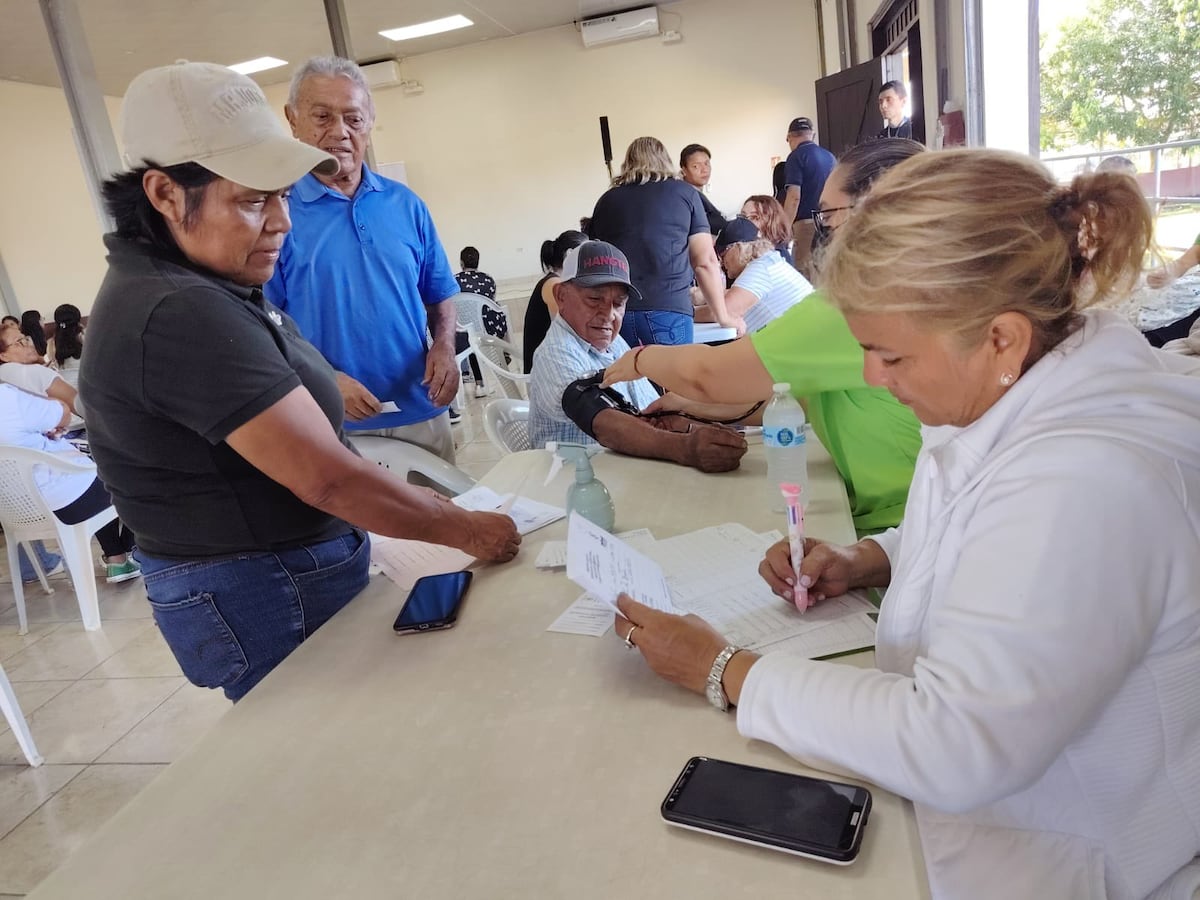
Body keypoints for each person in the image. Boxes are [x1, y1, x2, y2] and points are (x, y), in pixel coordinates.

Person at [612, 149, 1200, 899]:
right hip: (1006, 818)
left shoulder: (1089, 480)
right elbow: (986, 523)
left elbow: (958, 742)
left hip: (1075, 858)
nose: (871, 378)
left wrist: (727, 670)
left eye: (889, 355)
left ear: (1002, 339)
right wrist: (873, 559)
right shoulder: (1022, 392)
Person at [81, 61, 519, 701]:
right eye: (254, 201)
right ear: (166, 195)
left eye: (283, 196)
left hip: (287, 565)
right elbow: (327, 475)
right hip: (261, 586)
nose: (281, 221)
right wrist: (469, 529)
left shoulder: (213, 282)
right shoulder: (178, 309)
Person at [605, 139, 926, 535]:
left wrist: (640, 359)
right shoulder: (903, 298)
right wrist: (690, 406)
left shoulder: (856, 307)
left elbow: (711, 373)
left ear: (879, 213)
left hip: (899, 527)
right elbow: (802, 400)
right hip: (890, 522)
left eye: (827, 215)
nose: (823, 231)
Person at [263, 56, 460, 464]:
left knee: (445, 519)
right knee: (360, 530)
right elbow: (264, 322)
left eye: (353, 119)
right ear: (293, 120)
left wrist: (443, 346)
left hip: (420, 409)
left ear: (369, 124)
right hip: (329, 423)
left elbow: (439, 292)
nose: (339, 132)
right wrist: (326, 379)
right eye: (322, 116)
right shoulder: (275, 214)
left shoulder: (406, 205)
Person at [529, 241, 746, 473]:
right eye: (594, 299)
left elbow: (649, 410)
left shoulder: (613, 343)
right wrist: (685, 448)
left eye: (618, 303)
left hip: (626, 472)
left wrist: (699, 425)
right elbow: (602, 420)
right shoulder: (557, 352)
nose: (608, 315)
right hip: (573, 485)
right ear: (561, 295)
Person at [589, 136, 742, 346]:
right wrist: (722, 316)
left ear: (628, 162)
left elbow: (596, 264)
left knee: (626, 378)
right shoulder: (685, 194)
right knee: (674, 378)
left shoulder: (606, 201)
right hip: (669, 309)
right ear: (665, 160)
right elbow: (704, 261)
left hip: (616, 312)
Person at [0, 384, 139, 582]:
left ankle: (118, 559)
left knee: (92, 480)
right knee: (138, 475)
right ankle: (130, 553)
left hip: (18, 513)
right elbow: (63, 412)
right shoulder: (6, 396)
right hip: (66, 501)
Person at [695, 217, 813, 333]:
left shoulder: (761, 268)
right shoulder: (769, 262)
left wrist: (685, 312)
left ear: (738, 247)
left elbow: (722, 311)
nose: (720, 261)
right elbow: (732, 296)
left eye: (722, 253)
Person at [523, 230, 587, 374]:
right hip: (543, 371)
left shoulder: (557, 282)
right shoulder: (553, 284)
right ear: (570, 255)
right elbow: (567, 327)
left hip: (550, 361)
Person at [780, 117, 836, 278]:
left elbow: (794, 197)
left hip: (806, 225)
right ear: (812, 135)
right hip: (829, 222)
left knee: (804, 275)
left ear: (790, 137)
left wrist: (783, 228)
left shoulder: (796, 157)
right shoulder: (829, 157)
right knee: (825, 271)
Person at [0, 323, 83, 423]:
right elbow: (80, 407)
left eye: (26, 339)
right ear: (3, 356)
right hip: (68, 430)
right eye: (19, 342)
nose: (28, 344)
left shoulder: (4, 376)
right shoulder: (33, 372)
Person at [454, 246, 505, 399]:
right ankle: (505, 356)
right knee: (500, 311)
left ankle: (475, 380)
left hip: (463, 331)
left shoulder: (454, 280)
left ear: (461, 263)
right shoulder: (488, 280)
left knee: (467, 332)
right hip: (488, 330)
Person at [679, 143, 728, 234]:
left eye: (707, 163)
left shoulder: (694, 192)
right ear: (684, 171)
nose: (704, 170)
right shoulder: (684, 196)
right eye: (696, 166)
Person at [739, 194, 794, 266]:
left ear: (771, 221)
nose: (746, 221)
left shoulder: (778, 256)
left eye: (755, 217)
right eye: (743, 216)